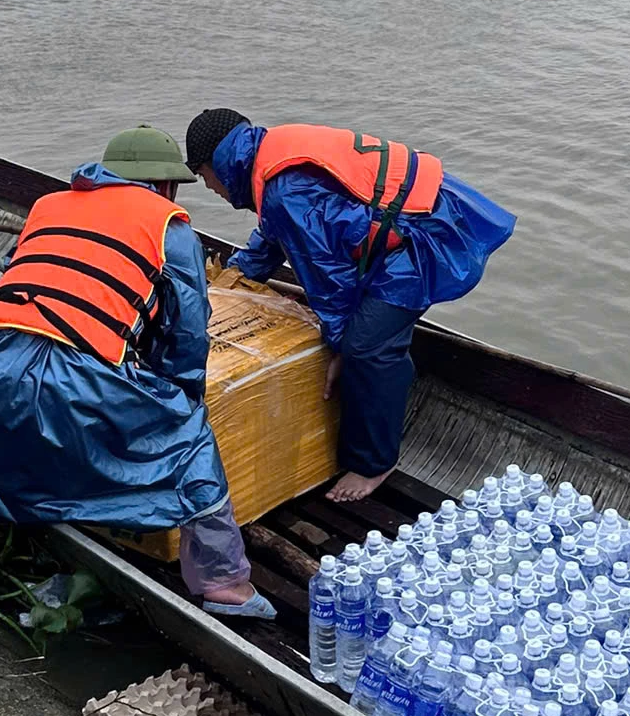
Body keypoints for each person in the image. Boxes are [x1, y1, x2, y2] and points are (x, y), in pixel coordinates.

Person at [0, 127, 274, 619]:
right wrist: (181, 400)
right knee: (188, 436)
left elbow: (30, 273)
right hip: (63, 370)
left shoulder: (50, 204)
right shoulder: (170, 228)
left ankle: (17, 517)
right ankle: (224, 585)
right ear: (161, 184)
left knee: (18, 416)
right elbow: (186, 334)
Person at [183, 110, 515, 502]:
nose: (210, 189)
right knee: (369, 337)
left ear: (217, 163)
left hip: (430, 235)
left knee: (365, 347)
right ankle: (388, 381)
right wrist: (234, 276)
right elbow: (278, 233)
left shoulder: (284, 190)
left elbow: (328, 278)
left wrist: (340, 347)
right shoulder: (272, 160)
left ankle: (374, 463)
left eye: (204, 177)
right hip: (427, 212)